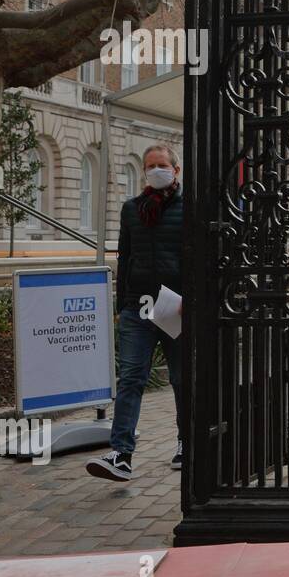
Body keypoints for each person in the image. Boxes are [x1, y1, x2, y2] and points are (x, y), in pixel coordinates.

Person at [86, 144, 185, 481]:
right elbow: (125, 257)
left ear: (176, 169)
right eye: (150, 166)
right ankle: (121, 454)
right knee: (131, 379)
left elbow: (201, 258)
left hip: (177, 307)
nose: (156, 170)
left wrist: (194, 298)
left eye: (162, 165)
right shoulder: (132, 209)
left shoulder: (190, 208)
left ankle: (187, 443)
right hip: (138, 307)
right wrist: (122, 305)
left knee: (181, 379)